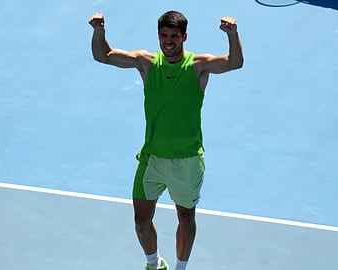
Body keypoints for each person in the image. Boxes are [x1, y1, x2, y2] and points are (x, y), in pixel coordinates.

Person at [88, 10, 243, 270]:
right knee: (141, 221)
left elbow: (233, 63)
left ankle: (180, 268)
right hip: (152, 158)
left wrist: (233, 35)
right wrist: (99, 31)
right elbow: (102, 55)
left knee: (185, 216)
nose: (168, 41)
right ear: (158, 36)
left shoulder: (198, 66)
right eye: (163, 36)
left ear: (184, 37)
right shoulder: (147, 63)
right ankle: (154, 264)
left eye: (173, 36)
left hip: (188, 160)